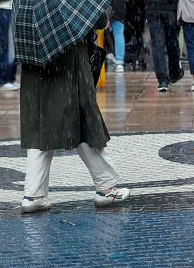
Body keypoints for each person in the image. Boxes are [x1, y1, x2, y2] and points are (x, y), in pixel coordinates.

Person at [19, 13, 130, 213]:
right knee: (84, 124)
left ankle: (33, 194)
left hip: (36, 72)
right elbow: (98, 20)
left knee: (41, 129)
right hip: (69, 68)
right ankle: (106, 188)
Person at [110, 0, 141, 73]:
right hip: (118, 1)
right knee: (118, 33)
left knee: (97, 32)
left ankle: (97, 58)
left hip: (100, 1)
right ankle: (119, 63)